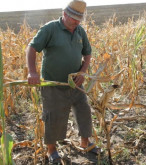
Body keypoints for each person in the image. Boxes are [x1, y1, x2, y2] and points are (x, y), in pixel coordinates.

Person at [26, 0, 99, 164]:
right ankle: (51, 150)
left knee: (84, 111)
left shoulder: (80, 31)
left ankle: (85, 143)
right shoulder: (50, 29)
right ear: (64, 14)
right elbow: (31, 48)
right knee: (53, 117)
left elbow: (87, 54)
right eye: (74, 18)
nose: (76, 22)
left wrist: (82, 71)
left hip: (75, 84)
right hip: (54, 85)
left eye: (79, 19)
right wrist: (32, 72)